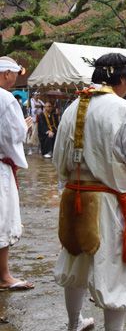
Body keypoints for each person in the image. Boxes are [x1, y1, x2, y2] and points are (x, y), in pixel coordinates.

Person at [53, 53, 126, 331]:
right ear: (122, 79)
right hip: (108, 203)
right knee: (116, 274)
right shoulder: (122, 109)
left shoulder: (72, 107)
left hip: (74, 197)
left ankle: (74, 323)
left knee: (75, 263)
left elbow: (57, 158)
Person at [0, 56, 34, 291]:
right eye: (14, 74)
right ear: (5, 74)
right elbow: (13, 135)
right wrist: (25, 126)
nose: (15, 79)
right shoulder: (5, 99)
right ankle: (4, 276)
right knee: (3, 219)